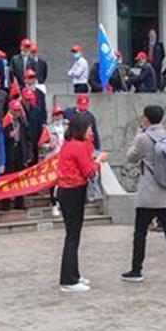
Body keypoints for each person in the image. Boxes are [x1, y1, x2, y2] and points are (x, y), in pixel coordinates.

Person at [121, 105, 166, 285]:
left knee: (140, 233)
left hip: (150, 193)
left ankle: (137, 270)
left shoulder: (143, 138)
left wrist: (136, 136)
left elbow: (131, 157)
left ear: (146, 118)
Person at [55, 112, 102, 293]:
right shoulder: (77, 146)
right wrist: (99, 161)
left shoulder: (71, 143)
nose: (91, 131)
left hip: (69, 192)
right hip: (72, 192)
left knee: (73, 236)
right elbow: (89, 171)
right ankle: (69, 280)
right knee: (72, 237)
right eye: (89, 128)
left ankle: (73, 274)